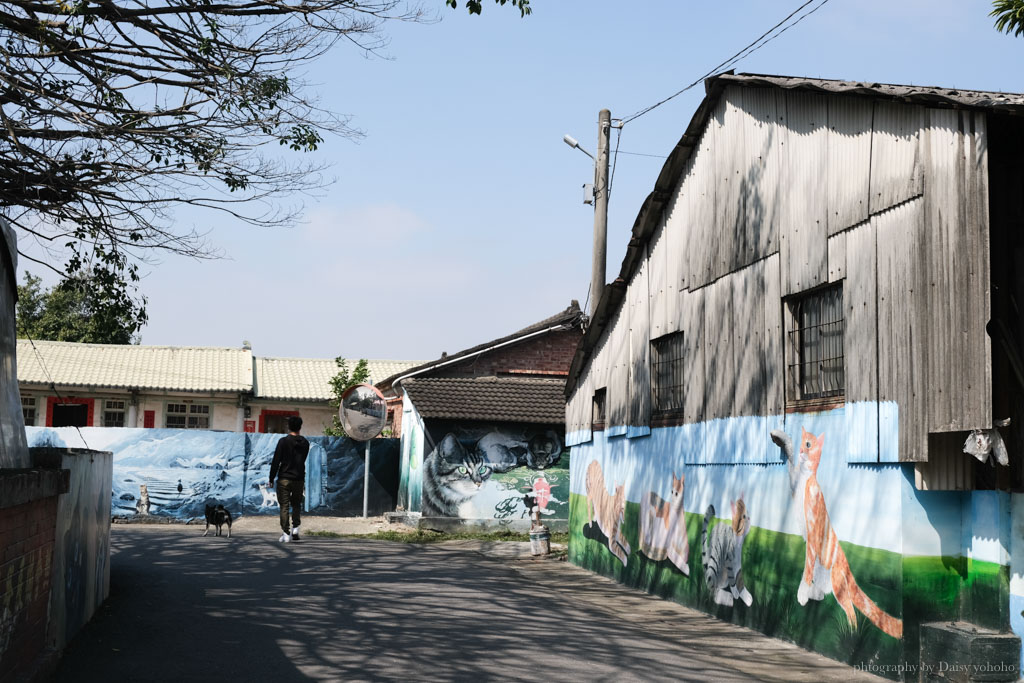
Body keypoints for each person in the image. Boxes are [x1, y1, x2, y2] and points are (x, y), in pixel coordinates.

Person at [267, 416, 309, 542]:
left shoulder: (283, 442)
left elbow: (276, 461)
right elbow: (303, 459)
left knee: (284, 506)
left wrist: (271, 477)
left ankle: (286, 533)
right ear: (300, 427)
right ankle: (295, 528)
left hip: (284, 478)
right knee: (296, 504)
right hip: (299, 478)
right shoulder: (305, 443)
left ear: (288, 426)